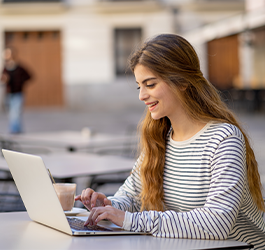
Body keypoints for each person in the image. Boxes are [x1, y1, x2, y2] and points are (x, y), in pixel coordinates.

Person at [75, 34, 265, 249]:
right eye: (140, 86)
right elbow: (132, 196)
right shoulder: (160, 139)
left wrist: (129, 220)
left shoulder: (224, 139)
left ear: (182, 81)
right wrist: (108, 206)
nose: (142, 96)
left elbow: (217, 223)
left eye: (151, 84)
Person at [0, 47, 31, 134]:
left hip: (18, 93)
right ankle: (18, 131)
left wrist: (19, 82)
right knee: (11, 114)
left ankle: (14, 132)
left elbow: (29, 76)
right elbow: (3, 79)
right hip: (9, 93)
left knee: (15, 113)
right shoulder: (5, 68)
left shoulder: (19, 68)